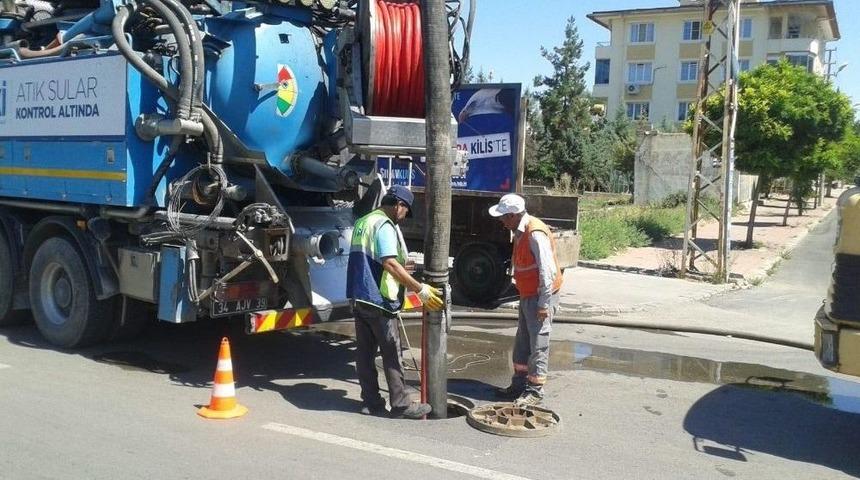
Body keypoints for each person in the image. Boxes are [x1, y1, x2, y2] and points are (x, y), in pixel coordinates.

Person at [347, 185, 444, 419]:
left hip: (360, 296)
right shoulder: (384, 225)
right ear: (398, 205)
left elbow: (373, 259)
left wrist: (403, 268)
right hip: (379, 300)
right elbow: (389, 263)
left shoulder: (364, 221)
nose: (404, 216)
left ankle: (371, 403)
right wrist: (419, 289)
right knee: (392, 353)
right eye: (406, 210)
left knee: (365, 354)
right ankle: (401, 405)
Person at [488, 193, 563, 406]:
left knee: (538, 343)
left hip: (540, 296)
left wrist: (543, 305)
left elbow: (547, 273)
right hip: (528, 294)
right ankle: (519, 384)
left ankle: (535, 391)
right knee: (523, 341)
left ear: (513, 215)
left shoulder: (534, 233)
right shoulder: (520, 230)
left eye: (503, 217)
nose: (501, 222)